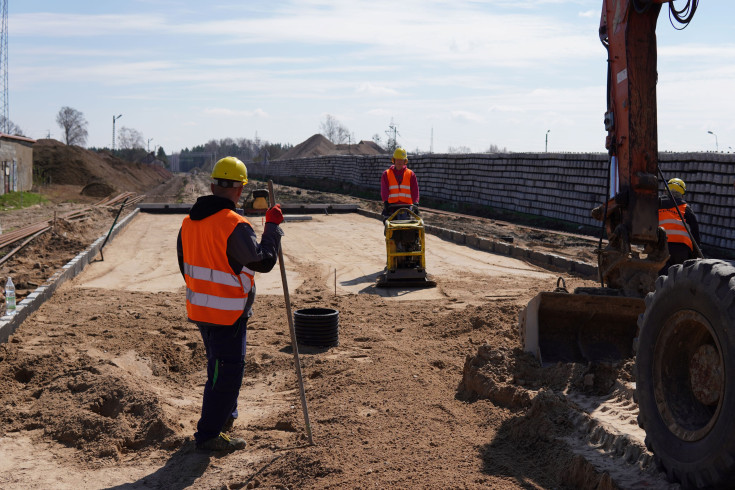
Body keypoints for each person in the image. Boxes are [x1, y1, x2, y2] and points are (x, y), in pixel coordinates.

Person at [176, 156, 283, 452]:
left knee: (219, 367)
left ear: (212, 186)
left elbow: (185, 265)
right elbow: (262, 261)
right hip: (228, 314)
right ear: (240, 190)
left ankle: (226, 416)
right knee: (227, 373)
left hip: (201, 309)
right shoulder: (233, 225)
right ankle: (209, 435)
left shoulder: (188, 223)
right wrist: (272, 227)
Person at [658, 177, 701, 275]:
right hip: (682, 249)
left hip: (662, 247)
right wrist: (695, 255)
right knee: (678, 278)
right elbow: (695, 232)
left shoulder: (657, 204)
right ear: (682, 194)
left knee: (662, 279)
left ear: (666, 191)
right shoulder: (685, 208)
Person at [380, 147, 420, 219]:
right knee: (389, 226)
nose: (399, 162)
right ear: (394, 160)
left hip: (406, 206)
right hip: (391, 206)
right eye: (397, 160)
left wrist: (416, 203)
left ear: (405, 161)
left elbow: (415, 190)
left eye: (401, 160)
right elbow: (384, 189)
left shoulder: (411, 174)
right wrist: (385, 202)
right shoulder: (386, 174)